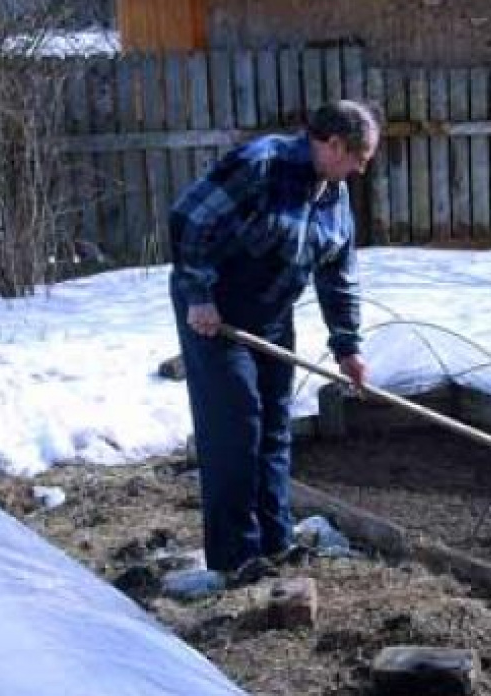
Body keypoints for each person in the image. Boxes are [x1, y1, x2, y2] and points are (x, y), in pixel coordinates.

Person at [169, 100, 379, 583]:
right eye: (359, 157)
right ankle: (237, 560)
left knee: (274, 429)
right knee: (235, 428)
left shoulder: (334, 194)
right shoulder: (259, 166)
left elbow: (338, 273)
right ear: (331, 144)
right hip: (216, 314)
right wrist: (199, 294)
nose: (361, 170)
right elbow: (188, 220)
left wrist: (347, 346)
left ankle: (275, 541)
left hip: (271, 313)